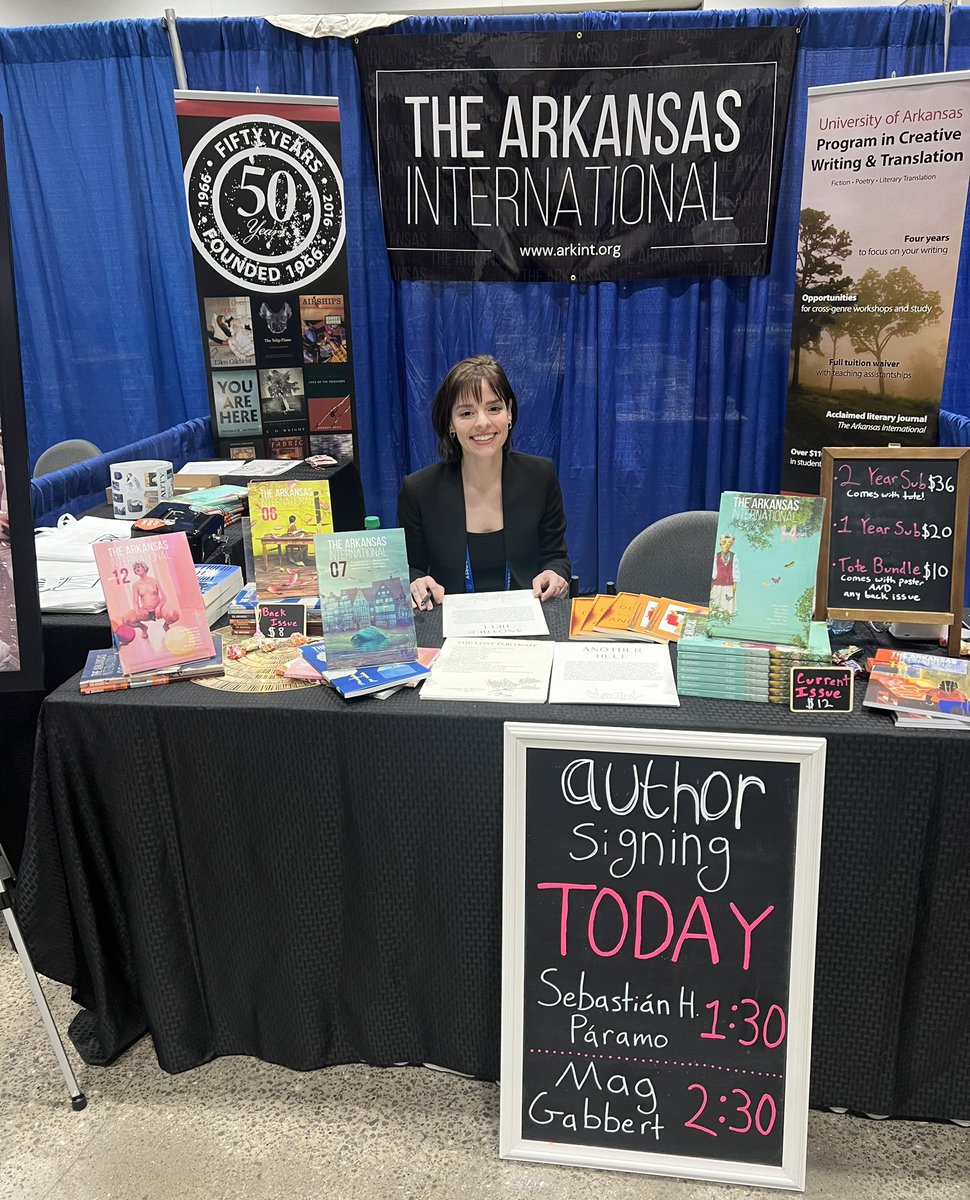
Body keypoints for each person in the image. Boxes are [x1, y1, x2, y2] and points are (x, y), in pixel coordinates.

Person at [397, 355, 570, 607]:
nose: (482, 422)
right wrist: (416, 582)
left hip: (528, 621)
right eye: (467, 412)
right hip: (448, 626)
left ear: (509, 412)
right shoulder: (419, 491)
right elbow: (411, 568)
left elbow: (556, 556)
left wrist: (555, 575)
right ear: (450, 424)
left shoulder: (540, 477)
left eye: (494, 408)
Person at [125, 561, 179, 638]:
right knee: (127, 620)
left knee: (175, 615)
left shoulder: (154, 581)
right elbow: (135, 601)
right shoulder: (136, 585)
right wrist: (137, 612)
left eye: (138, 566)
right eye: (135, 568)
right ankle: (144, 628)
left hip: (159, 610)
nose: (137, 569)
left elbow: (164, 597)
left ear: (144, 568)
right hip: (146, 611)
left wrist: (158, 607)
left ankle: (166, 625)